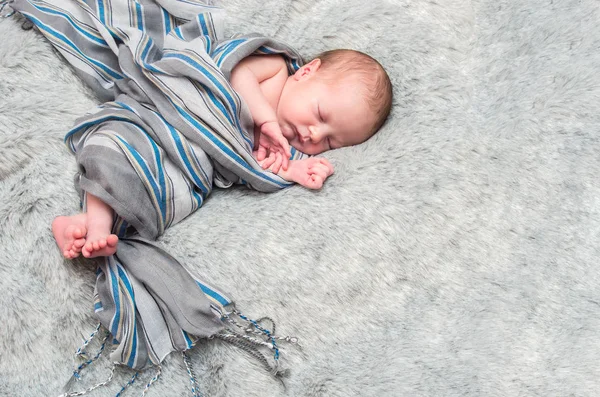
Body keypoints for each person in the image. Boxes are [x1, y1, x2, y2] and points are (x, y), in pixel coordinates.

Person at [51, 49, 393, 260]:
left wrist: (294, 172)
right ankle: (97, 221)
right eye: (320, 115)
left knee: (171, 191)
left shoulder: (286, 148)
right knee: (120, 144)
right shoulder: (274, 69)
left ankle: (87, 224)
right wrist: (264, 117)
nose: (314, 134)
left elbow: (253, 170)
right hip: (166, 116)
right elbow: (238, 73)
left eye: (330, 142)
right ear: (306, 72)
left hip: (191, 158)